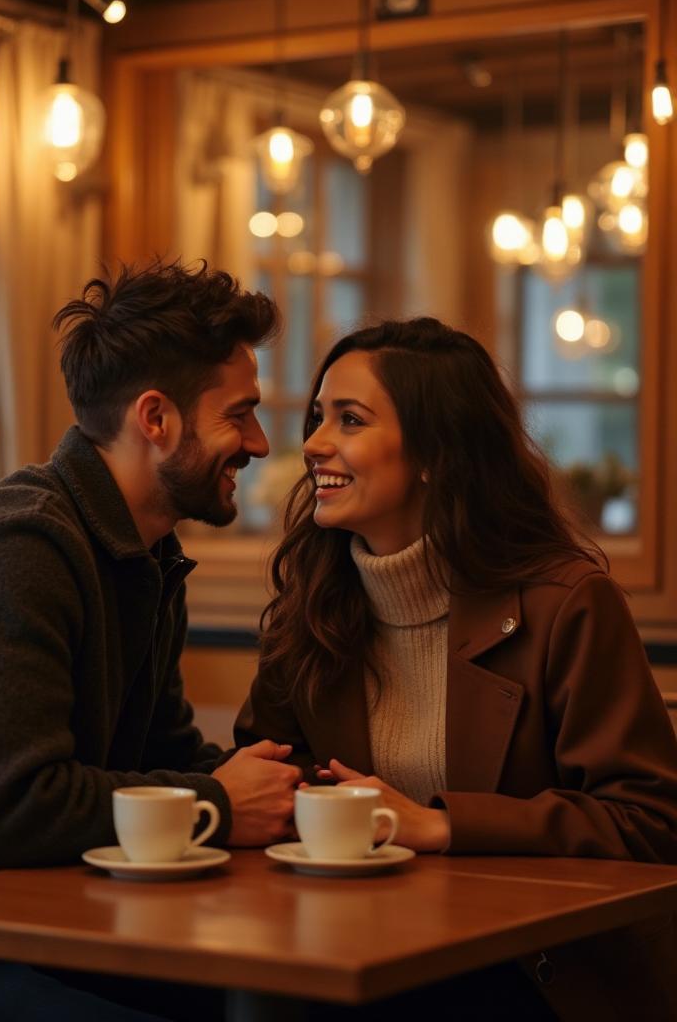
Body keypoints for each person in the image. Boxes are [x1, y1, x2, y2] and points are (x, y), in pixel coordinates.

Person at [0, 260, 302, 1022]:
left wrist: (298, 795)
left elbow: (162, 758)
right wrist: (219, 804)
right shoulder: (17, 548)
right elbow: (4, 812)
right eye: (239, 414)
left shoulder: (146, 553)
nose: (261, 444)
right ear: (155, 418)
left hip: (48, 924)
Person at [235, 317, 677, 1021]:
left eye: (349, 419)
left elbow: (652, 819)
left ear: (435, 453)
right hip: (346, 946)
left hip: (532, 976)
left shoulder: (567, 604)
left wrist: (441, 827)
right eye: (319, 417)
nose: (313, 443)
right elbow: (272, 780)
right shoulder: (310, 605)